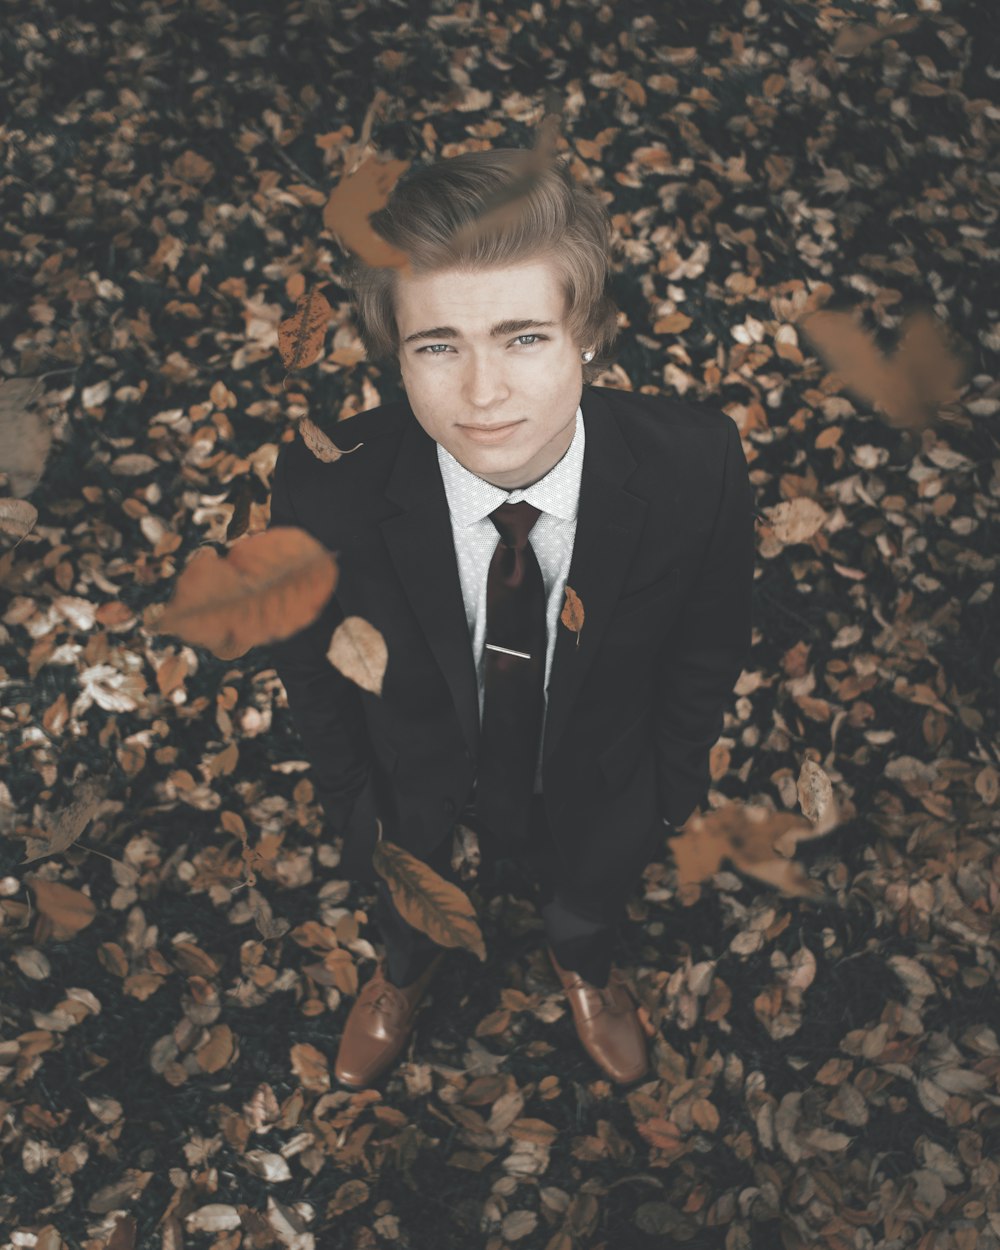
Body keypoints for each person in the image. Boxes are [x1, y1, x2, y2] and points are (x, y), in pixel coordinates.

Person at [266, 148, 755, 1090]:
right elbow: (311, 666)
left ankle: (584, 967)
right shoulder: (327, 489)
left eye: (523, 337)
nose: (483, 394)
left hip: (602, 778)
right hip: (415, 791)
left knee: (589, 891)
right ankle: (403, 972)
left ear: (591, 337)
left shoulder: (697, 466)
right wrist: (353, 804)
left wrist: (668, 786)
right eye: (438, 345)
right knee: (410, 905)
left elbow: (708, 639)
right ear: (395, 352)